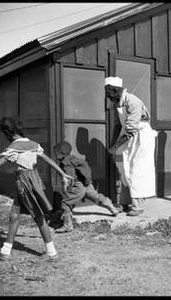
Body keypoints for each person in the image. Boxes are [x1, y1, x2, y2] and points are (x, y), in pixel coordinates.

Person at [0, 117, 73, 261]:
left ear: (7, 132)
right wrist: (62, 174)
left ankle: (52, 252)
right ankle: (5, 250)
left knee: (38, 216)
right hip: (32, 180)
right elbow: (48, 160)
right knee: (14, 214)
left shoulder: (14, 147)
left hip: (25, 182)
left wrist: (63, 174)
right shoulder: (33, 144)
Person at [105, 76, 158, 216]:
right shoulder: (117, 103)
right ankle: (124, 202)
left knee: (136, 170)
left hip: (141, 137)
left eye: (108, 92)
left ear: (115, 90)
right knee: (124, 169)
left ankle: (137, 206)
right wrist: (112, 145)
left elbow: (131, 129)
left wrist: (115, 147)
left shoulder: (132, 101)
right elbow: (117, 125)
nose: (107, 96)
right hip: (129, 137)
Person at [53, 141, 120, 233]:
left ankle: (67, 225)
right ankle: (112, 208)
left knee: (66, 203)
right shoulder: (74, 159)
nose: (55, 155)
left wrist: (66, 185)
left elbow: (70, 177)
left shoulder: (66, 162)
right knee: (96, 197)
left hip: (78, 185)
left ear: (62, 154)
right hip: (87, 184)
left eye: (55, 153)